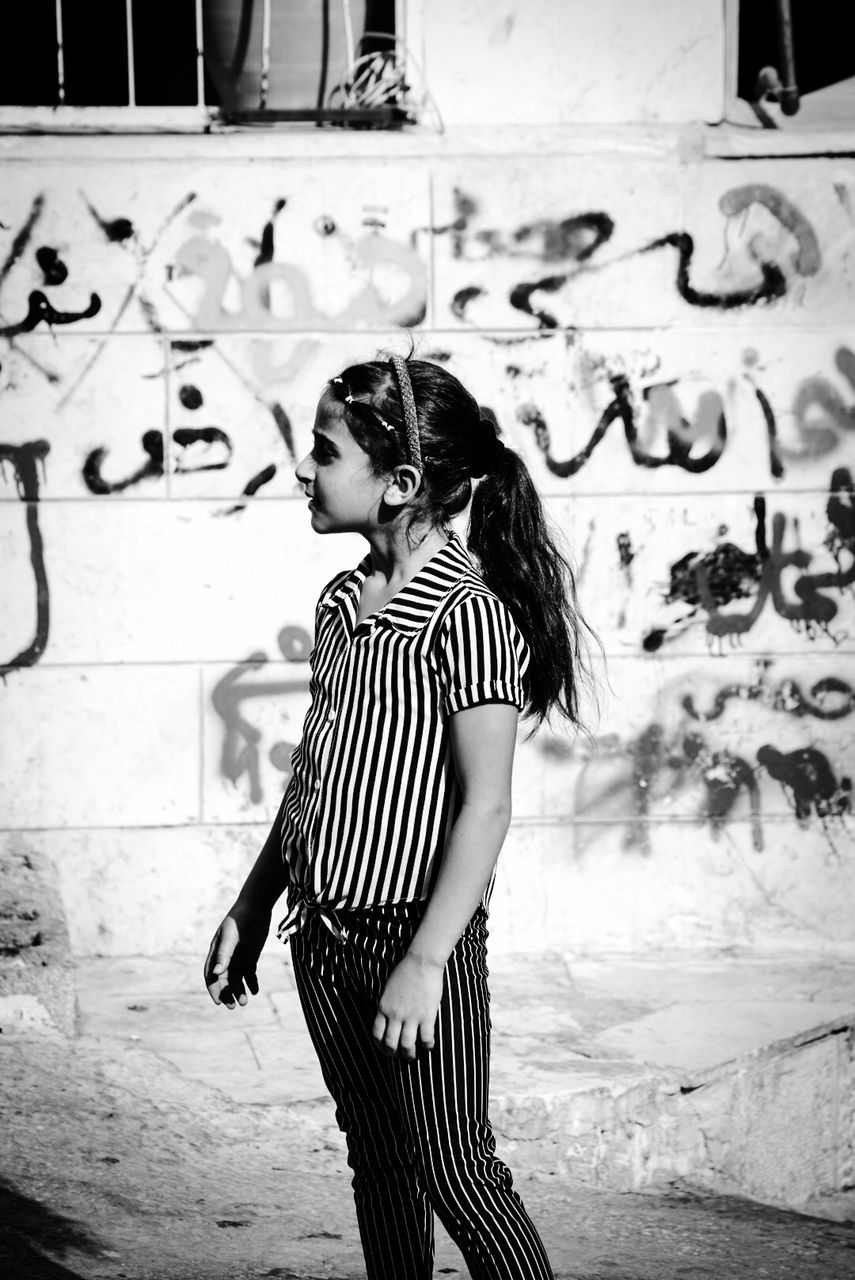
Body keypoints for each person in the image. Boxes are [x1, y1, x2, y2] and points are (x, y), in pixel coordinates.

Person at [204, 354, 593, 1280]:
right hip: (324, 939)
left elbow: (487, 806)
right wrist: (257, 902)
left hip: (416, 946)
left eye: (323, 452)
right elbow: (318, 768)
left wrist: (424, 965)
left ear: (401, 485)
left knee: (455, 1172)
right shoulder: (341, 605)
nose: (301, 469)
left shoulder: (465, 615)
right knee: (378, 1164)